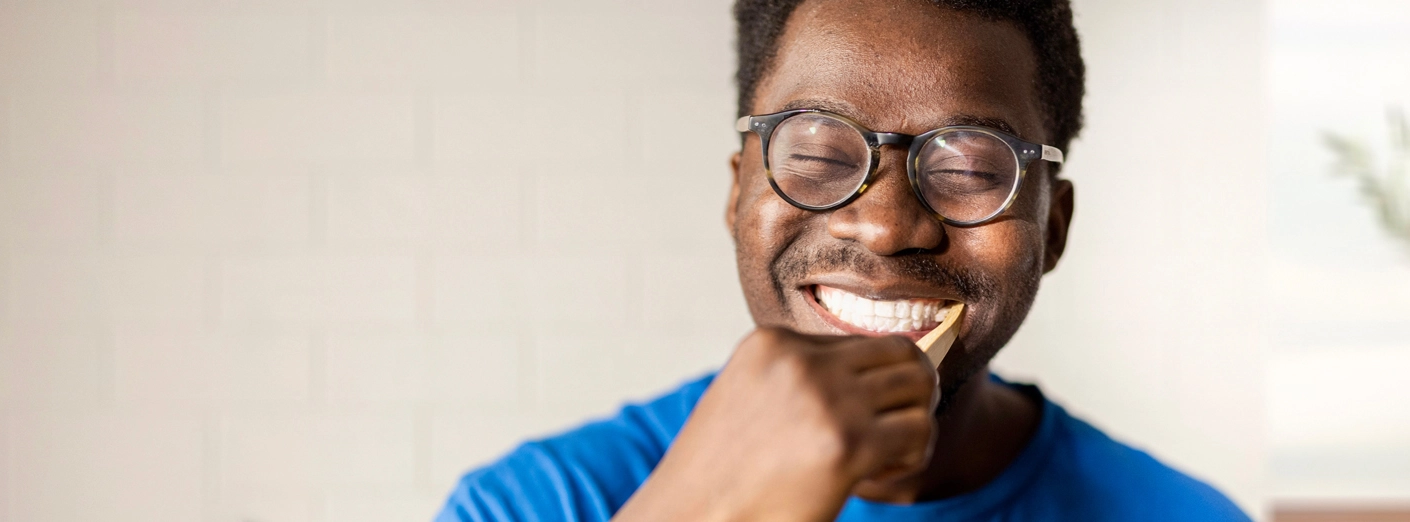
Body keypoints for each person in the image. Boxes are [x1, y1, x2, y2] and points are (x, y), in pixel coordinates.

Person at [436, 0, 1251, 520]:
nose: (887, 225)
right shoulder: (532, 505)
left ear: (1054, 227)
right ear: (737, 194)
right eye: (821, 155)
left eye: (968, 168)